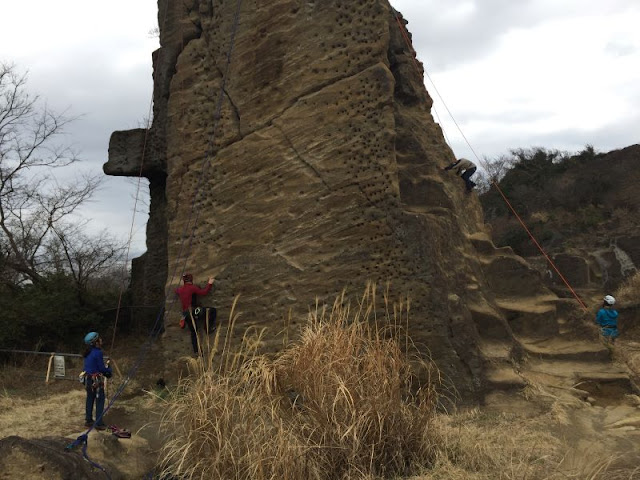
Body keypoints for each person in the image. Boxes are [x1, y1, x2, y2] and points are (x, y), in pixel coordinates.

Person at [176, 273, 214, 354]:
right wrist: (210, 283)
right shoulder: (192, 288)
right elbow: (204, 292)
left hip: (185, 314)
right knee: (211, 310)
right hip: (194, 312)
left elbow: (176, 290)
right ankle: (207, 328)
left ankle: (196, 351)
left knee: (194, 332)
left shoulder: (180, 290)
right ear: (191, 280)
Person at [82, 332, 112, 430]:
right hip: (96, 380)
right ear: (96, 342)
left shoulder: (87, 352)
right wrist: (108, 370)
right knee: (100, 399)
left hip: (88, 379)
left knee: (90, 398)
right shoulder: (98, 352)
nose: (101, 339)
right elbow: (101, 368)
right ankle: (99, 423)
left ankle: (88, 420)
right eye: (99, 338)